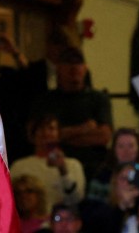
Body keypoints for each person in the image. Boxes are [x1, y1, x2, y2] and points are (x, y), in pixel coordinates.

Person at [34, 47, 113, 179]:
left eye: (78, 63)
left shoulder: (99, 99)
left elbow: (104, 136)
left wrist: (61, 135)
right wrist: (84, 129)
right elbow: (38, 137)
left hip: (93, 170)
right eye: (68, 63)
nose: (74, 68)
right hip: (53, 169)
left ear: (85, 68)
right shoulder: (45, 100)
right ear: (59, 68)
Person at [10, 113, 86, 213]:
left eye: (51, 128)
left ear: (58, 134)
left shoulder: (73, 165)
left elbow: (76, 199)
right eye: (41, 129)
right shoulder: (19, 166)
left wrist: (63, 170)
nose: (46, 133)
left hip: (61, 220)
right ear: (32, 135)